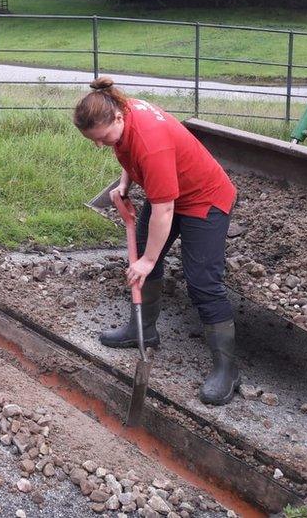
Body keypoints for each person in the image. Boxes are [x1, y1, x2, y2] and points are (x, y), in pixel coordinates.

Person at [73, 77, 240, 405]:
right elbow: (127, 151)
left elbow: (164, 208)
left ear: (118, 118)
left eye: (102, 138)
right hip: (171, 191)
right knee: (144, 260)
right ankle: (143, 330)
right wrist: (125, 184)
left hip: (205, 199)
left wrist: (149, 259)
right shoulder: (120, 109)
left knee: (202, 282)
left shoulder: (152, 140)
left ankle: (227, 370)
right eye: (94, 141)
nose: (99, 145)